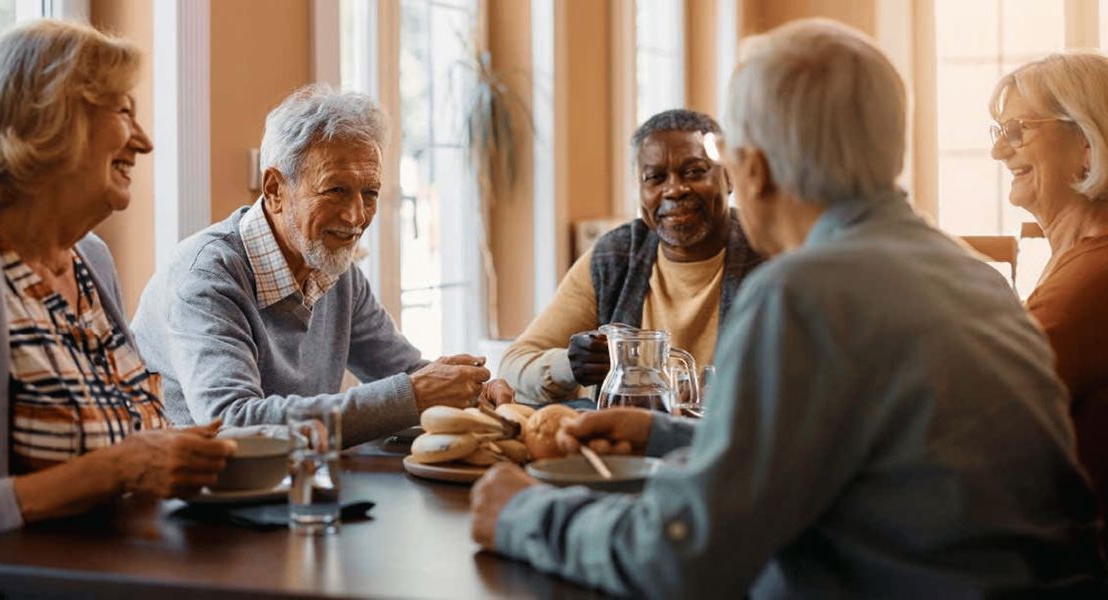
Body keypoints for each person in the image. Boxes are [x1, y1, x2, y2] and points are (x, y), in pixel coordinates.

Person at [470, 19, 1105, 597]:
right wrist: (663, 432)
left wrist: (524, 513)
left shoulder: (804, 296)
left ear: (753, 170)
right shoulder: (974, 277)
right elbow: (869, 458)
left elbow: (684, 555)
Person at [0, 20, 235, 555]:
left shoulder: (92, 261)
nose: (145, 141)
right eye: (124, 112)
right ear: (51, 119)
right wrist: (119, 468)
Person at [132, 84, 513, 446]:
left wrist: (471, 390)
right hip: (186, 501)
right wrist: (412, 394)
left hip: (292, 485)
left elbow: (404, 372)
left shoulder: (334, 268)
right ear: (275, 190)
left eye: (370, 193)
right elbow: (233, 423)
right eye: (336, 190)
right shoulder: (206, 277)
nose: (355, 216)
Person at [499, 109, 763, 405]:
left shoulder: (770, 251)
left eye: (694, 171)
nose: (674, 189)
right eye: (655, 177)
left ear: (728, 177)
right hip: (625, 445)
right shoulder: (615, 257)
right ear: (640, 191)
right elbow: (512, 368)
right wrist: (569, 367)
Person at [989, 52, 1108, 527]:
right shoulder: (1078, 259)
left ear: (1087, 144)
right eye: (1000, 133)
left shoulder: (1094, 273)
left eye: (1018, 130)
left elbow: (985, 403)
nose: (1000, 152)